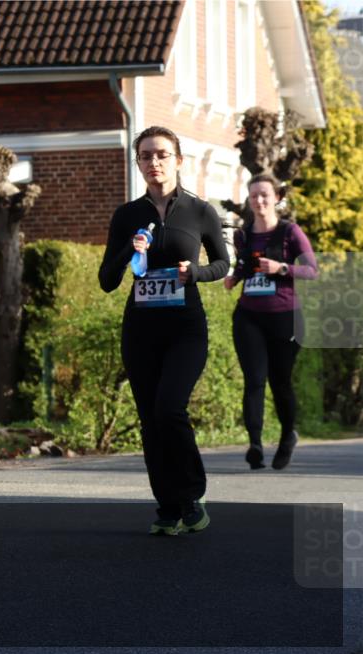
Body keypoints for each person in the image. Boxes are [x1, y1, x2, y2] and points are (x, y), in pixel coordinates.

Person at [98, 126, 229, 536]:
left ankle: (191, 495)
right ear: (138, 163)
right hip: (141, 330)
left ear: (178, 161)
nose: (154, 163)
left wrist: (196, 273)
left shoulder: (201, 211)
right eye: (146, 156)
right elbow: (106, 280)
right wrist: (128, 251)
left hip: (186, 328)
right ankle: (167, 507)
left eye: (161, 155)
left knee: (169, 408)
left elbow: (223, 265)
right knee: (149, 419)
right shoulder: (127, 215)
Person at [225, 173, 318, 470]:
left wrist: (281, 268)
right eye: (253, 196)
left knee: (280, 382)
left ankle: (287, 435)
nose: (259, 201)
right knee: (254, 381)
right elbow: (244, 266)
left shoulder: (290, 232)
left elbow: (312, 271)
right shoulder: (243, 235)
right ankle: (254, 444)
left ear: (277, 197)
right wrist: (234, 278)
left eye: (264, 195)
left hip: (285, 318)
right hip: (249, 316)